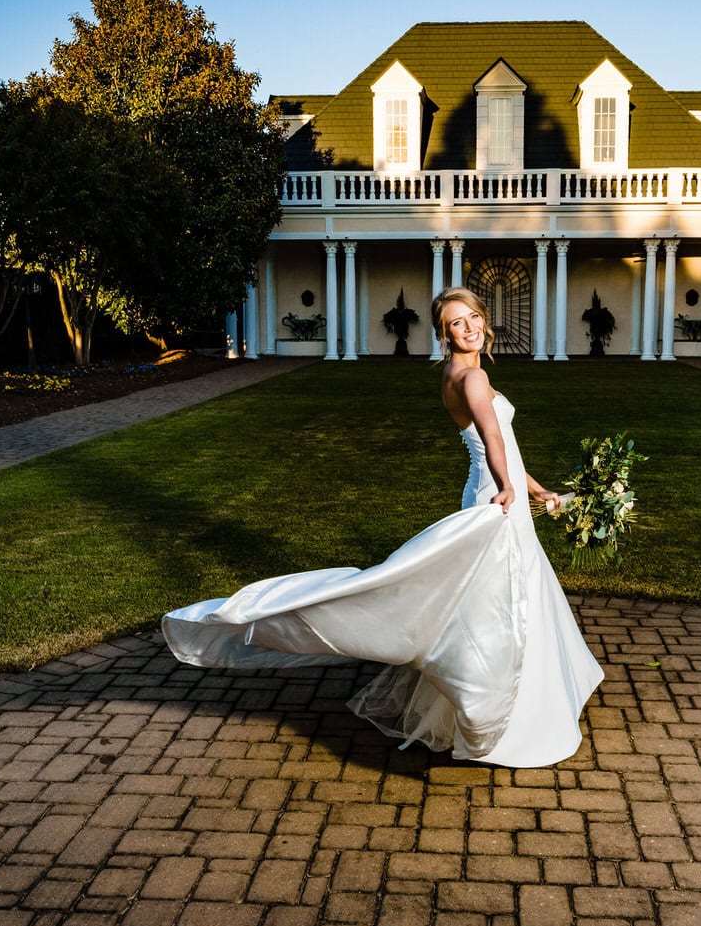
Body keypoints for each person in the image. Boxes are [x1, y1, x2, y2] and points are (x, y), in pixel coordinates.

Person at [162, 287, 604, 767]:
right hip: (495, 496)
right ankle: (496, 711)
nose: (470, 327)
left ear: (484, 318)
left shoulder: (458, 373)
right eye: (457, 323)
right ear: (444, 334)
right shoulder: (472, 377)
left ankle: (510, 698)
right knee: (495, 603)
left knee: (499, 596)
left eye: (473, 316)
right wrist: (508, 487)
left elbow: (503, 444)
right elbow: (493, 439)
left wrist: (532, 488)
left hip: (498, 490)